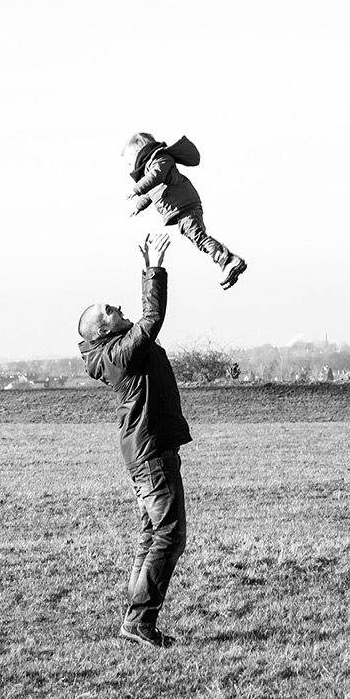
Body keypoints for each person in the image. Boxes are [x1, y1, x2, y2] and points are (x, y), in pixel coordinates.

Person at [76, 233, 193, 648]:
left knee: (152, 534)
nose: (117, 308)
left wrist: (148, 271)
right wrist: (154, 271)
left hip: (146, 453)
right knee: (169, 534)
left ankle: (136, 620)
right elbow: (151, 320)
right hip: (150, 454)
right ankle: (139, 621)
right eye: (110, 310)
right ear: (100, 329)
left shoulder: (116, 351)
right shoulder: (119, 353)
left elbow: (144, 324)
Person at [122, 132, 248, 290]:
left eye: (128, 164)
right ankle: (229, 265)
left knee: (199, 237)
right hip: (181, 208)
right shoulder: (150, 170)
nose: (129, 169)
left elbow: (156, 176)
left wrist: (137, 189)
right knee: (196, 237)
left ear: (138, 153)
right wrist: (138, 206)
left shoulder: (160, 159)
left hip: (185, 205)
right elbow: (151, 192)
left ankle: (228, 261)